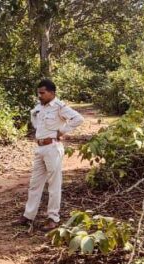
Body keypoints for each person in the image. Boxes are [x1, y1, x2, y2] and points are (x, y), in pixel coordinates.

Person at [12, 79, 84, 231]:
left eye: (42, 93)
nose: (39, 95)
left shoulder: (59, 107)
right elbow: (34, 119)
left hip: (52, 148)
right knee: (35, 184)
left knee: (54, 184)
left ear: (52, 93)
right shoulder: (39, 107)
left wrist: (62, 131)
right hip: (40, 148)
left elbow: (78, 118)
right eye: (38, 93)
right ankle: (28, 216)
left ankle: (53, 218)